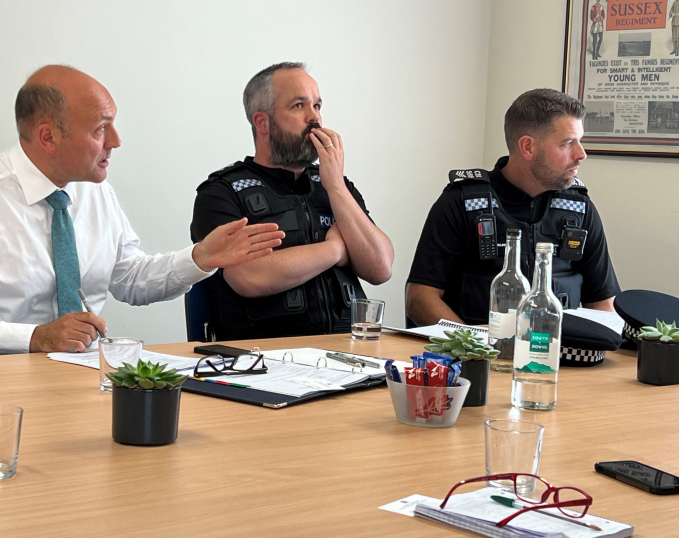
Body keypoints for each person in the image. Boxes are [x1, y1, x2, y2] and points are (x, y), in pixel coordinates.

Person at [0, 65, 285, 357]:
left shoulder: (95, 192)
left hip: (79, 379)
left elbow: (130, 279)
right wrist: (34, 338)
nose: (116, 142)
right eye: (101, 129)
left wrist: (200, 257)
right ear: (48, 137)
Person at [190, 62, 394, 340]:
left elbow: (380, 267)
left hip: (350, 351)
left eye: (317, 106)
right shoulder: (222, 192)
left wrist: (335, 186)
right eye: (299, 106)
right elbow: (248, 276)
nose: (315, 119)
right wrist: (335, 249)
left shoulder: (337, 186)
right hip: (264, 360)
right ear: (262, 122)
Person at [406, 88, 620, 327]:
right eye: (568, 143)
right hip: (474, 357)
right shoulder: (462, 203)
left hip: (556, 355)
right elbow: (420, 299)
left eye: (580, 142)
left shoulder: (579, 209)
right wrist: (474, 348)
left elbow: (603, 303)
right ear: (528, 147)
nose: (582, 154)